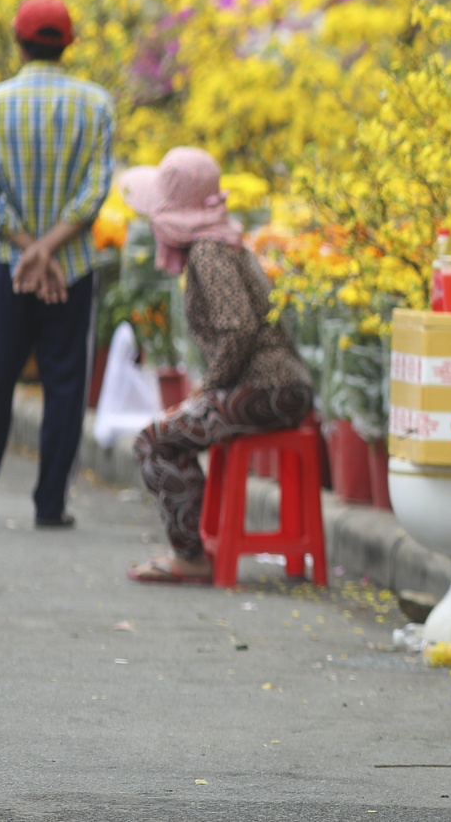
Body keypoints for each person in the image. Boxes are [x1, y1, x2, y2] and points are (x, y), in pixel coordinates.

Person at [125, 147, 314, 584]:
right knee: (167, 432)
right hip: (275, 388)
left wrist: (209, 388)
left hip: (268, 389)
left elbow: (239, 329)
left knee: (154, 441)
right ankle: (194, 546)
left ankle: (190, 555)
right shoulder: (220, 242)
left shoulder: (209, 252)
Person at [0, 0, 115, 529]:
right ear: (67, 44)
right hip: (71, 269)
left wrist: (27, 248)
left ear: (18, 43)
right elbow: (95, 194)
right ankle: (49, 506)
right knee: (65, 384)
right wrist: (50, 250)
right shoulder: (96, 105)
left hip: (6, 265)